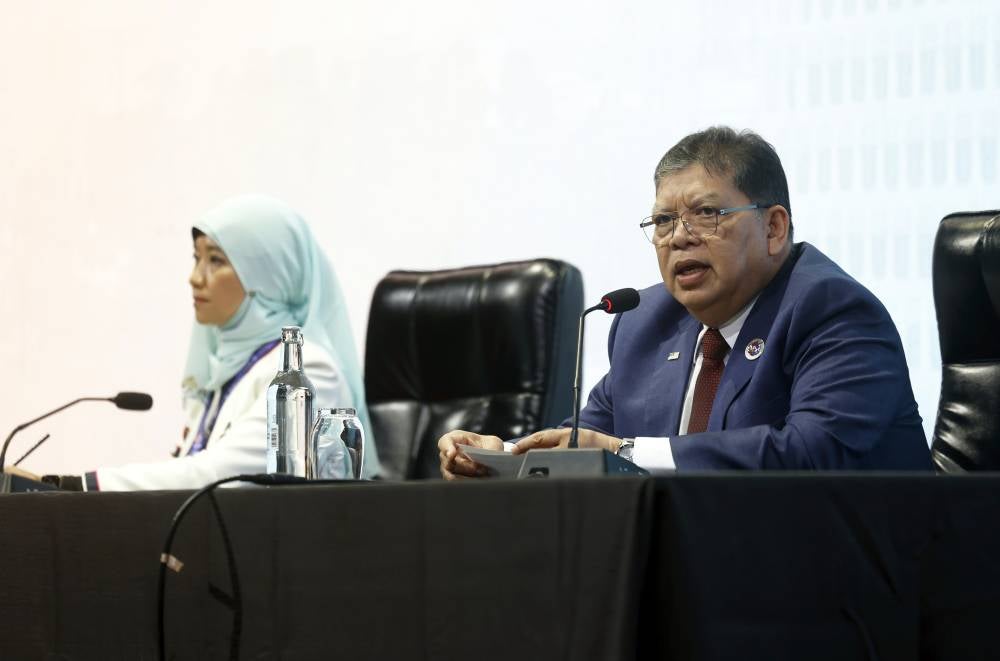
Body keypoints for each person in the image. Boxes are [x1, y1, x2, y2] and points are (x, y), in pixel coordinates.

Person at [439, 127, 931, 477]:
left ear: (774, 227)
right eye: (663, 222)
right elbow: (583, 442)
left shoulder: (831, 309)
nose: (679, 238)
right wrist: (502, 454)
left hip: (841, 595)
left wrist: (626, 453)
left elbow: (811, 452)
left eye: (706, 213)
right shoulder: (644, 322)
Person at [35, 194, 379, 489]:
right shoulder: (228, 370)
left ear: (269, 274)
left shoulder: (307, 372)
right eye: (196, 257)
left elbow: (221, 476)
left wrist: (79, 485)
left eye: (216, 260)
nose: (195, 277)